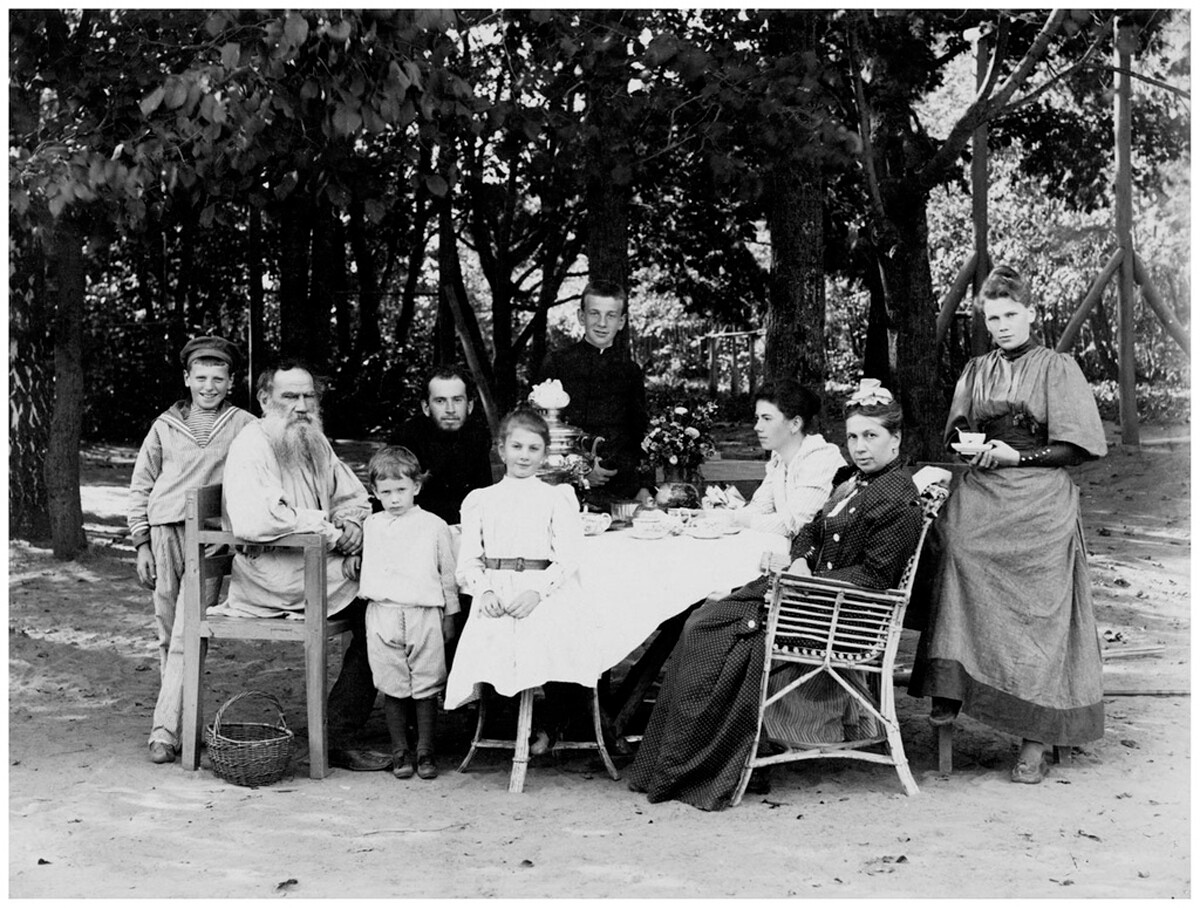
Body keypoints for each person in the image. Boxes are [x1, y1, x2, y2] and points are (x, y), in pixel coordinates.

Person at [627, 382, 925, 810]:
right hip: (809, 593)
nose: (860, 447)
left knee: (710, 630)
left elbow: (875, 577)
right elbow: (809, 529)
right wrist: (802, 560)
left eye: (872, 436)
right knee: (704, 620)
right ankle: (675, 760)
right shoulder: (853, 483)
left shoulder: (897, 498)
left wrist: (804, 582)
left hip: (843, 614)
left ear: (895, 440)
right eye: (855, 436)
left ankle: (697, 764)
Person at [908, 264, 1108, 784]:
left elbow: (1077, 447)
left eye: (1010, 315)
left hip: (1039, 493)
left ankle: (1035, 737)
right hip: (984, 487)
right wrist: (971, 448)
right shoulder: (976, 370)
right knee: (953, 548)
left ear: (1031, 314)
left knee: (1037, 600)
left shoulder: (1057, 367)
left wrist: (1019, 458)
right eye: (992, 317)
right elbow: (959, 431)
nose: (1001, 325)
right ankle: (953, 683)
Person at [212, 358, 390, 771]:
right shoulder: (253, 445)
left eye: (309, 395)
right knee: (379, 612)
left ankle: (344, 730)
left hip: (316, 566)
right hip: (275, 575)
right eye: (290, 396)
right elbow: (258, 519)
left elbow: (353, 495)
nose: (301, 405)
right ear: (264, 399)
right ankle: (335, 737)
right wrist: (330, 529)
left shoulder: (313, 439)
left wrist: (351, 524)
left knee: (391, 602)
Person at [128, 336, 256, 765]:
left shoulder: (243, 424)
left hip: (209, 538)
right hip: (164, 534)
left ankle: (163, 732)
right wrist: (141, 541)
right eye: (200, 378)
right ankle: (184, 724)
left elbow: (258, 476)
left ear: (231, 382)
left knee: (188, 632)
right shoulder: (165, 425)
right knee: (169, 634)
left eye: (218, 378)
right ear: (187, 379)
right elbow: (141, 484)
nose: (209, 386)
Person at [443, 408, 603, 750]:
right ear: (501, 450)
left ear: (545, 453)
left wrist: (536, 591)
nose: (524, 456)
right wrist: (483, 590)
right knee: (493, 643)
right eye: (516, 447)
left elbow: (568, 557)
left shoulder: (555, 498)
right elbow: (468, 560)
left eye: (533, 449)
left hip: (541, 591)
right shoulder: (481, 500)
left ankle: (550, 722)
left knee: (552, 639)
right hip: (496, 592)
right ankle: (509, 720)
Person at [344, 447, 459, 781]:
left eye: (401, 490)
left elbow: (447, 575)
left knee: (426, 682)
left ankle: (425, 750)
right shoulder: (372, 526)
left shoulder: (434, 526)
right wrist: (352, 560)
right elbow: (355, 557)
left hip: (423, 613)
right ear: (375, 493)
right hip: (382, 614)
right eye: (385, 492)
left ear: (416, 487)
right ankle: (400, 751)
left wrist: (449, 614)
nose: (394, 499)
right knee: (392, 683)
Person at [537, 280, 648, 503]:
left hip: (622, 487)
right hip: (566, 487)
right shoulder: (557, 363)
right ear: (581, 316)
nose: (602, 323)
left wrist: (645, 486)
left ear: (622, 322)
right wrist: (582, 470)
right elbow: (540, 431)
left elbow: (639, 433)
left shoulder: (630, 371)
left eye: (611, 315)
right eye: (594, 313)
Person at [732, 379, 847, 537]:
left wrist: (738, 519)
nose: (757, 427)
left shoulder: (820, 458)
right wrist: (712, 517)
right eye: (757, 418)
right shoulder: (780, 458)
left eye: (767, 418)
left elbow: (794, 524)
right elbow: (760, 506)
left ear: (795, 424)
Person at [392, 364, 495, 526]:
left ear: (469, 406)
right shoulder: (406, 438)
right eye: (440, 401)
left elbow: (482, 495)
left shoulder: (477, 436)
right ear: (426, 407)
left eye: (457, 400)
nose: (450, 409)